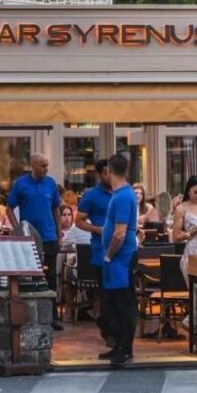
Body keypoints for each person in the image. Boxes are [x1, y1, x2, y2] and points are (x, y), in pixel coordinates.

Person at [7, 153, 62, 330]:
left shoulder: (51, 183)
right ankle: (31, 315)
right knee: (31, 277)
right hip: (29, 238)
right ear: (32, 166)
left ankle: (53, 317)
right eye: (42, 166)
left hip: (49, 236)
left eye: (47, 165)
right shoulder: (20, 184)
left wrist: (59, 232)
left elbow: (56, 208)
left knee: (51, 278)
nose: (46, 169)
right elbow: (9, 208)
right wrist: (19, 229)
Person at [102, 154, 138, 367]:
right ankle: (118, 345)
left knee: (125, 304)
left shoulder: (123, 196)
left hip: (121, 258)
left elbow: (119, 233)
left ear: (108, 170)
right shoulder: (120, 194)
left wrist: (109, 254)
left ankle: (126, 349)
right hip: (117, 258)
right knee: (114, 303)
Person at [76, 159, 113, 347]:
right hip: (100, 249)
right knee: (105, 292)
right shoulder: (91, 195)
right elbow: (79, 221)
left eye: (112, 171)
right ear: (100, 174)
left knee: (119, 292)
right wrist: (98, 230)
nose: (110, 175)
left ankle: (110, 326)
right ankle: (108, 331)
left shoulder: (122, 192)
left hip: (121, 249)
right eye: (106, 172)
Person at [170, 176, 197, 283]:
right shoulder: (181, 209)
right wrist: (194, 231)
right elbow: (175, 238)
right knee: (195, 290)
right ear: (188, 191)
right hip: (193, 254)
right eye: (196, 192)